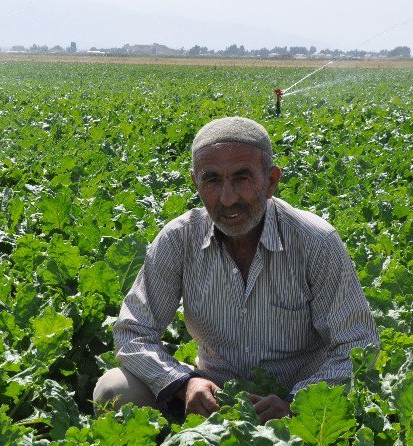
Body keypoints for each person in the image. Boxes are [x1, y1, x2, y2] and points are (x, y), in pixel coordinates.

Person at [93, 116, 379, 422]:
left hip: (291, 408)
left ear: (271, 181)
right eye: (212, 180)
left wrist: (296, 402)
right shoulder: (179, 239)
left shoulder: (315, 242)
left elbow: (357, 345)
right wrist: (183, 383)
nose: (227, 199)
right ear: (195, 183)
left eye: (242, 178)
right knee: (114, 388)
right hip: (208, 400)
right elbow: (133, 332)